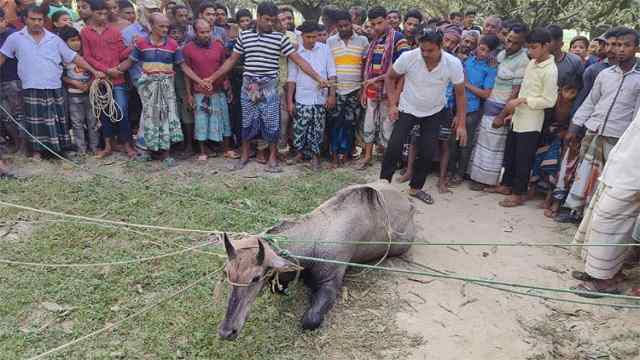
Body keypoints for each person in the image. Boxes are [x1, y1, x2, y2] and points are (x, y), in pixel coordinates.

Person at [206, 1, 329, 173]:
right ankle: (245, 156)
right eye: (267, 20)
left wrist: (318, 77)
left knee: (271, 122)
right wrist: (212, 78)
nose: (270, 23)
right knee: (247, 121)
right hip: (250, 87)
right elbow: (231, 60)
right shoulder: (245, 36)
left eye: (273, 20)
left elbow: (299, 60)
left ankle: (272, 157)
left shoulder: (279, 38)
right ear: (258, 17)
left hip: (270, 86)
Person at [0, 5, 104, 160]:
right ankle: (37, 152)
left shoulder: (54, 39)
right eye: (32, 19)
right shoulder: (15, 38)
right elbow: (2, 58)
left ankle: (62, 150)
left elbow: (73, 57)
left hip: (53, 85)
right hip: (30, 86)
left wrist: (94, 71)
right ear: (25, 19)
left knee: (58, 120)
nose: (36, 23)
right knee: (35, 122)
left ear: (44, 20)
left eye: (40, 19)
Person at [381, 27, 467, 205]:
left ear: (441, 46)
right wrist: (392, 105)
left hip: (435, 111)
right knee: (394, 147)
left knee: (427, 151)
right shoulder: (409, 57)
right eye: (423, 50)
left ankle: (415, 188)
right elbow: (390, 77)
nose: (426, 54)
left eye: (430, 50)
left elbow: (460, 94)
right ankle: (383, 186)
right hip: (407, 108)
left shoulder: (453, 63)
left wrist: (461, 123)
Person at [563, 27, 640, 217]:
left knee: (607, 179)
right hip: (594, 133)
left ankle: (595, 216)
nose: (620, 49)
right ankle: (578, 213)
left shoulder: (638, 79)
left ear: (636, 48)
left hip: (618, 139)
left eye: (626, 45)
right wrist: (574, 127)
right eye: (617, 45)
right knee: (585, 175)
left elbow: (636, 116)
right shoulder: (604, 75)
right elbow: (590, 103)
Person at [116, 13, 202, 167]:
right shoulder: (141, 44)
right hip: (148, 88)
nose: (165, 29)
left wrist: (200, 80)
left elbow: (183, 67)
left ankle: (166, 154)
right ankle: (147, 151)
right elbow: (128, 63)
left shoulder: (173, 45)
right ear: (151, 25)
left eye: (166, 26)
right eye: (161, 26)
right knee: (148, 117)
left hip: (166, 87)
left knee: (166, 117)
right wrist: (110, 71)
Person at [572, 109, 640, 297]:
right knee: (599, 218)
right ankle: (604, 272)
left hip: (634, 178)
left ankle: (604, 281)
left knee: (609, 221)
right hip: (623, 166)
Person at [495, 28, 558, 208]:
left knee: (524, 159)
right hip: (518, 117)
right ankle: (506, 185)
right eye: (529, 48)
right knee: (511, 154)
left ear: (547, 46)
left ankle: (519, 194)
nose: (531, 52)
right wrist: (514, 111)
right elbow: (524, 87)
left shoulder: (550, 70)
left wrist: (522, 100)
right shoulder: (533, 62)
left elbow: (549, 100)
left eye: (534, 47)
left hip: (531, 122)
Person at [468, 23, 529, 191]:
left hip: (500, 110)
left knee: (493, 148)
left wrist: (502, 115)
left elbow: (515, 92)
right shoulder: (502, 54)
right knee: (483, 144)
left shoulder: (522, 61)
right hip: (489, 106)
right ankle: (477, 177)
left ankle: (486, 181)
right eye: (508, 40)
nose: (510, 45)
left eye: (515, 43)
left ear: (523, 43)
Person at [356, 6, 409, 170]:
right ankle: (367, 156)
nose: (376, 27)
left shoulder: (399, 39)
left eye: (379, 23)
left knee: (388, 125)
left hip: (390, 92)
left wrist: (378, 80)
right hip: (372, 90)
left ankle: (388, 159)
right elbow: (368, 68)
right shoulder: (375, 40)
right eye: (373, 24)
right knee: (369, 123)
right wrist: (366, 88)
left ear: (387, 19)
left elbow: (402, 68)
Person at [81, 0, 134, 158]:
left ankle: (127, 145)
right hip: (100, 79)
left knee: (122, 111)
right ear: (92, 13)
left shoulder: (115, 32)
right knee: (104, 113)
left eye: (105, 13)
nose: (103, 16)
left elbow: (121, 53)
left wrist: (132, 46)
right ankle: (108, 146)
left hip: (117, 79)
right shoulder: (85, 32)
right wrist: (105, 70)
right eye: (99, 13)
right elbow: (87, 56)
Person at [448, 34, 499, 186]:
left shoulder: (490, 69)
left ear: (492, 53)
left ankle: (460, 173)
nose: (482, 53)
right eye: (481, 49)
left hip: (473, 109)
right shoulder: (467, 61)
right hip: (457, 106)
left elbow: (486, 93)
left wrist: (466, 84)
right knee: (452, 141)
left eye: (486, 51)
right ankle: (449, 170)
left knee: (465, 142)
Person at [286, 21, 336, 170]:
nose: (312, 40)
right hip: (302, 97)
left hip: (320, 98)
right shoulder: (296, 53)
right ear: (302, 36)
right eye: (309, 37)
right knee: (299, 128)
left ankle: (315, 157)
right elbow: (291, 79)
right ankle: (299, 153)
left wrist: (331, 95)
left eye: (315, 37)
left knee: (318, 128)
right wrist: (290, 101)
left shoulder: (325, 49)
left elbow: (332, 73)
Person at [182, 19, 234, 162]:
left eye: (208, 31)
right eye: (202, 32)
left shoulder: (218, 46)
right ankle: (202, 151)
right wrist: (189, 94)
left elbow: (224, 67)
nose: (206, 34)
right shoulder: (187, 49)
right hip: (199, 91)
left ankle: (226, 149)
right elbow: (187, 74)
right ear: (195, 32)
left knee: (224, 120)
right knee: (201, 121)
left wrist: (227, 84)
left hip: (218, 90)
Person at [326, 9, 368, 168]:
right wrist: (330, 93)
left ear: (352, 23)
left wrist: (363, 89)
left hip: (355, 89)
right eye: (340, 26)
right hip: (336, 90)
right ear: (336, 26)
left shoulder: (363, 40)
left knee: (350, 123)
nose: (343, 28)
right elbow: (329, 67)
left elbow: (365, 67)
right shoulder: (330, 41)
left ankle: (346, 153)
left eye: (346, 25)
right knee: (335, 122)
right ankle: (335, 155)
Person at [60, 26, 98, 155]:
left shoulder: (87, 56)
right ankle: (81, 149)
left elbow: (95, 73)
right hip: (73, 95)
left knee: (92, 122)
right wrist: (74, 82)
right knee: (77, 123)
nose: (76, 43)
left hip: (90, 94)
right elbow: (62, 76)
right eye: (72, 40)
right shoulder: (63, 59)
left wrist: (90, 83)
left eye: (77, 40)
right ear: (64, 42)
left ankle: (94, 147)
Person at [168, 24, 195, 156]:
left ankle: (189, 145)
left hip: (184, 86)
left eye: (178, 33)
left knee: (187, 114)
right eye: (173, 32)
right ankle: (176, 144)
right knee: (174, 115)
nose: (176, 35)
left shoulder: (186, 49)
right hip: (169, 86)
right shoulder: (165, 47)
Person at [0, 7, 23, 154]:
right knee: (6, 116)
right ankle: (16, 143)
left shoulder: (12, 35)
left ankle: (24, 146)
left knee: (18, 114)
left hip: (13, 80)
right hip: (1, 81)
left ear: (3, 20)